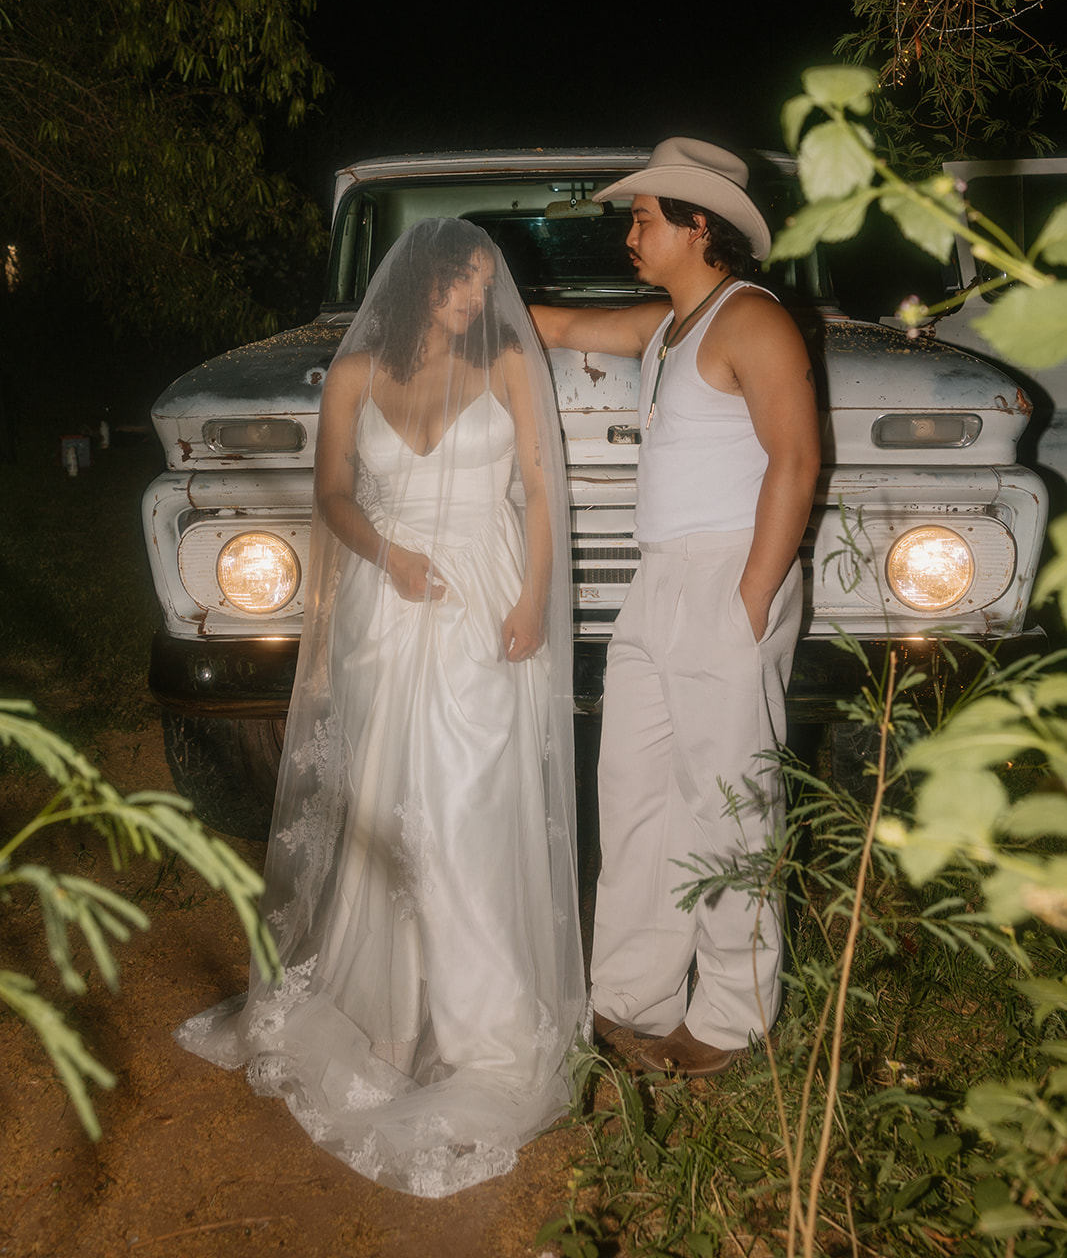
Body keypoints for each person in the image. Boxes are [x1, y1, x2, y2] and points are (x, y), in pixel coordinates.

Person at [176, 219, 585, 1197]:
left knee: (462, 803)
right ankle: (386, 1011)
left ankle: (482, 1020)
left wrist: (531, 598)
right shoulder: (355, 373)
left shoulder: (506, 371)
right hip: (383, 605)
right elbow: (331, 493)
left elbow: (538, 487)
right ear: (417, 284)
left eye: (484, 284)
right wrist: (385, 553)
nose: (475, 300)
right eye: (460, 282)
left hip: (482, 598)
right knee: (381, 796)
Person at [531, 138, 821, 1077]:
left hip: (728, 576)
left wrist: (748, 599)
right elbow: (568, 326)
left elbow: (796, 462)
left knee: (729, 802)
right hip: (655, 582)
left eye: (643, 218)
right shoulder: (668, 327)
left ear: (699, 226)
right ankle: (632, 996)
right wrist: (465, 304)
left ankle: (733, 1021)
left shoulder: (753, 322)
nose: (629, 234)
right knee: (636, 791)